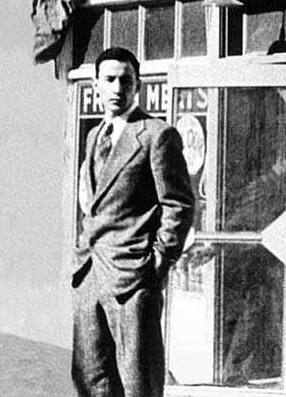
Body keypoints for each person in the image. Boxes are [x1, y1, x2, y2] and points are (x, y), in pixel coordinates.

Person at [71, 46, 194, 397]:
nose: (116, 88)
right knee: (91, 380)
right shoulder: (95, 136)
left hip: (132, 279)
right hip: (89, 275)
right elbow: (92, 205)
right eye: (109, 80)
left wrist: (155, 265)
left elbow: (180, 205)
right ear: (96, 84)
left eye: (126, 80)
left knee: (138, 383)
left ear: (137, 85)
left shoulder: (157, 135)